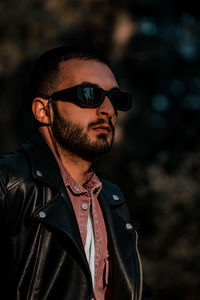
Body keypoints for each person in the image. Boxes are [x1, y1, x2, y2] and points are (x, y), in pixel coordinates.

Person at [0, 46, 153, 300]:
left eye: (115, 99)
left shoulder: (112, 199)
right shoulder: (9, 183)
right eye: (90, 94)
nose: (108, 110)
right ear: (43, 110)